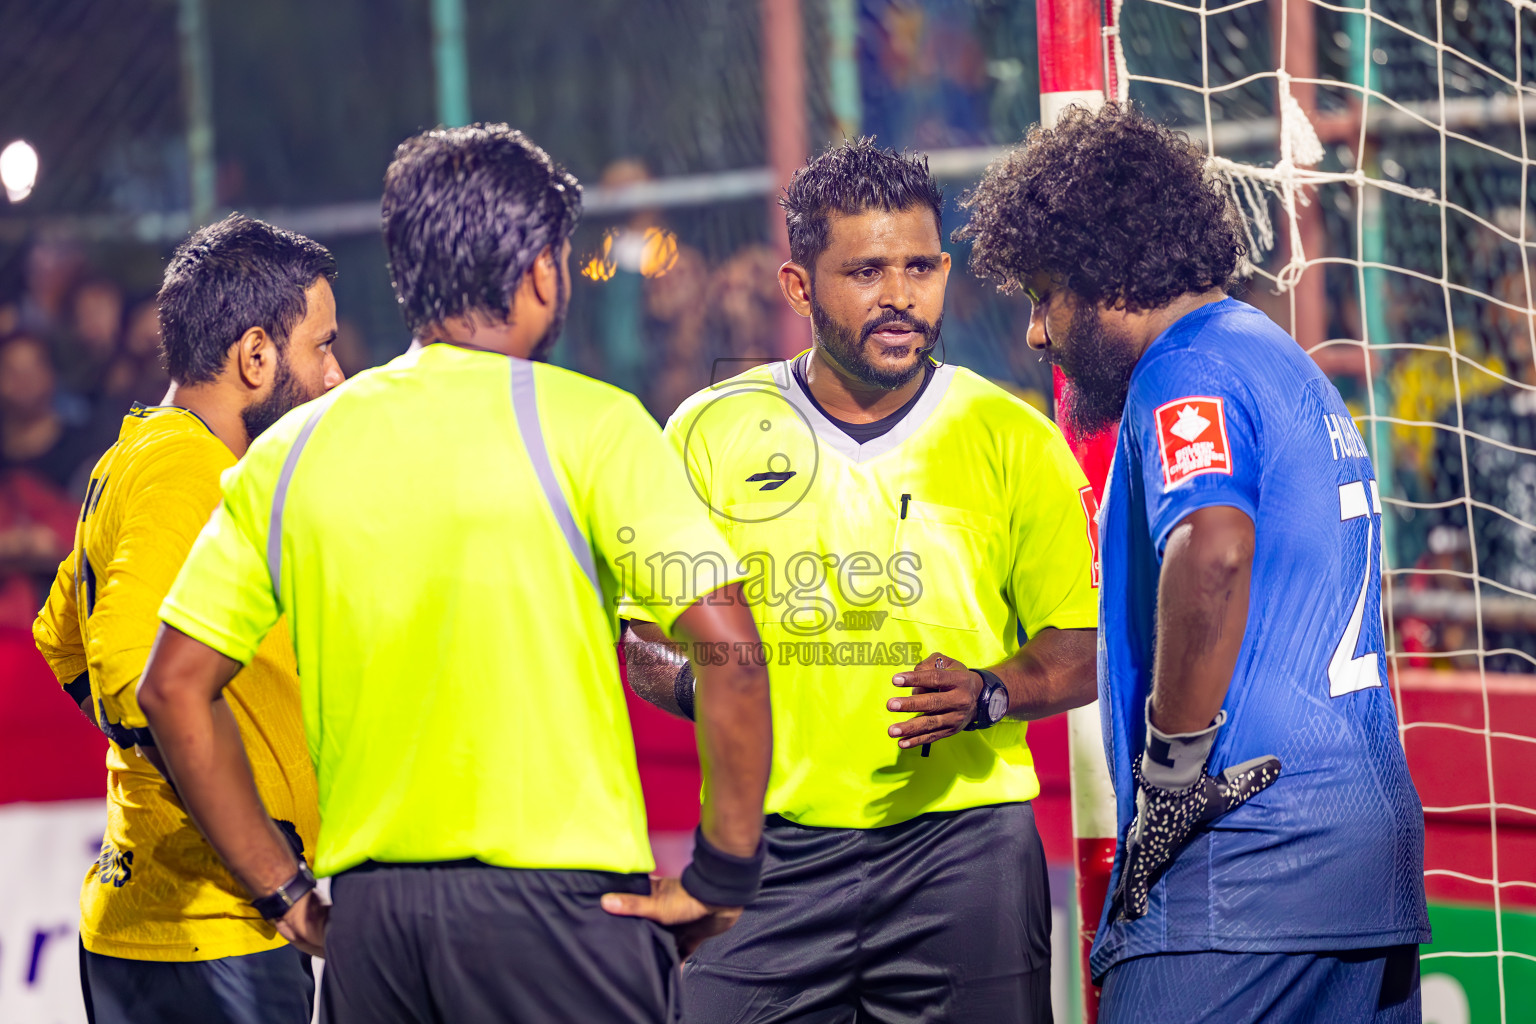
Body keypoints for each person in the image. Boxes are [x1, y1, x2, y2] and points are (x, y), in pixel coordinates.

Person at [135, 124, 773, 1024]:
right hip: (564, 914)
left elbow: (171, 689)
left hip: (375, 927)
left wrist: (283, 893)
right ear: (544, 272)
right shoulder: (594, 425)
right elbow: (732, 656)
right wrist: (723, 872)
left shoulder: (290, 452)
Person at [957, 103, 1429, 1022]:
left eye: (1046, 295)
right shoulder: (1281, 361)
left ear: (1107, 278)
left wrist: (1170, 777)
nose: (1037, 334)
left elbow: (1211, 550)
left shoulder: (1188, 370)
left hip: (1242, 865)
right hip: (1365, 864)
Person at [612, 138, 1100, 1023]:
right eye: (866, 270)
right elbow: (642, 638)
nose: (899, 296)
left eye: (920, 266)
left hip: (965, 855)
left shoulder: (1015, 438)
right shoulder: (709, 431)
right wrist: (707, 686)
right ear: (801, 287)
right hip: (769, 853)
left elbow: (1082, 645)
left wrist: (991, 692)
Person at [31, 213, 346, 1024]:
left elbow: (61, 636)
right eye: (323, 346)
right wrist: (272, 874)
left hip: (167, 929)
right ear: (255, 356)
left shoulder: (138, 451)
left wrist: (154, 773)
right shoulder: (187, 472)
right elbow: (142, 682)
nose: (337, 374)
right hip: (214, 936)